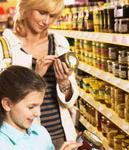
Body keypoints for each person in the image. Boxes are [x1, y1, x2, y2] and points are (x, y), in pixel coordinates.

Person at [0, 0, 79, 149]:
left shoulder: (59, 43)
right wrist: (35, 76)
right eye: (42, 13)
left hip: (62, 135)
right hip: (24, 140)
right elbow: (3, 100)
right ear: (26, 8)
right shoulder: (4, 48)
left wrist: (64, 83)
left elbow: (70, 102)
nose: (46, 21)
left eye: (52, 15)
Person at [0, 65, 83, 150]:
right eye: (31, 107)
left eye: (40, 105)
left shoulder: (40, 132)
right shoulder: (3, 143)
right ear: (7, 104)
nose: (38, 113)